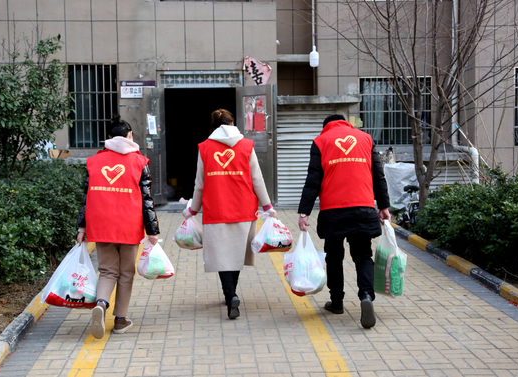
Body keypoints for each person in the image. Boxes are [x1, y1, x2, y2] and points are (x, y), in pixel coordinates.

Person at [297, 114, 390, 329]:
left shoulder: (321, 141)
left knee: (334, 256)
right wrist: (384, 206)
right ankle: (366, 295)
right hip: (363, 208)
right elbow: (378, 175)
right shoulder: (366, 139)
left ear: (325, 126)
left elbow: (313, 179)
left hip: (333, 211)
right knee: (363, 255)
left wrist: (304, 212)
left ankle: (337, 301)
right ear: (346, 123)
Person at [182, 109, 276, 319]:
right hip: (244, 208)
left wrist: (192, 210)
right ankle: (231, 293)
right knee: (236, 253)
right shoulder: (246, 145)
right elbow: (257, 179)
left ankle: (230, 294)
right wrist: (267, 206)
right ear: (232, 122)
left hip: (216, 209)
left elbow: (200, 184)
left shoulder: (205, 148)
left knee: (222, 255)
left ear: (212, 126)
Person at [77, 115, 160, 339]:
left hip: (101, 225)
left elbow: (86, 197)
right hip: (129, 226)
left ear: (109, 137)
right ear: (130, 136)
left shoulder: (94, 161)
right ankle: (120, 320)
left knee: (106, 271)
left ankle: (101, 305)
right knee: (125, 273)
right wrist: (152, 230)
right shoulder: (139, 161)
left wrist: (82, 228)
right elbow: (147, 199)